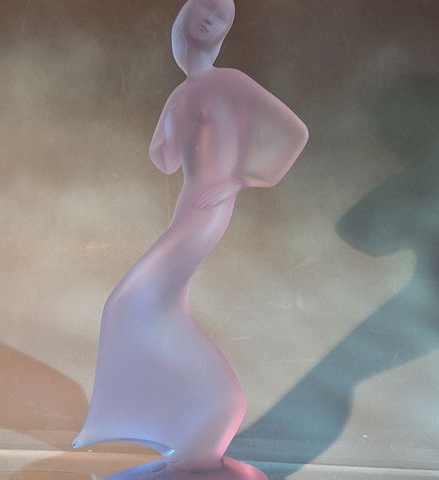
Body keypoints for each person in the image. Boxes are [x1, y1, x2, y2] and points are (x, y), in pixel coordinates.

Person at [73, 0, 308, 477]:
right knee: (148, 308)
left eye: (222, 15)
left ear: (224, 31)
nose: (210, 18)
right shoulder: (184, 92)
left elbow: (294, 133)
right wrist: (171, 115)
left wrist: (241, 179)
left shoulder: (231, 81)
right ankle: (191, 426)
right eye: (205, 7)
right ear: (184, 15)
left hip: (207, 211)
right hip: (188, 207)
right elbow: (164, 161)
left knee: (127, 304)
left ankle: (222, 407)